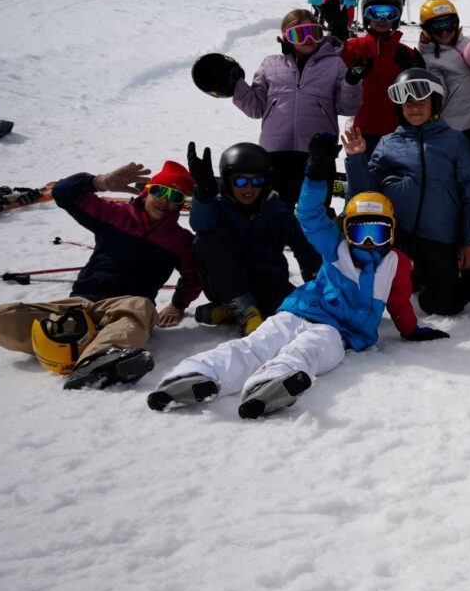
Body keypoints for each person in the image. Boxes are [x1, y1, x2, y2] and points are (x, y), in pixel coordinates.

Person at [145, 136, 447, 418]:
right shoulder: (336, 248)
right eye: (360, 231)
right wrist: (316, 171)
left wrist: (411, 330)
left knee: (311, 349)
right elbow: (310, 215)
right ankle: (199, 373)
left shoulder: (395, 263)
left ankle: (276, 380)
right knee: (260, 341)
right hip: (298, 310)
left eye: (377, 232)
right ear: (347, 230)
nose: (367, 242)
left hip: (338, 330)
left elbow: (399, 303)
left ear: (391, 231)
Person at [0, 161, 201, 390]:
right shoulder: (115, 215)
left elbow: (194, 275)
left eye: (175, 197)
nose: (165, 201)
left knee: (142, 307)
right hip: (80, 305)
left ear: (180, 206)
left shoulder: (180, 240)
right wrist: (99, 182)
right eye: (159, 191)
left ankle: (94, 361)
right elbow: (62, 193)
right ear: (146, 193)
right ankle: (77, 339)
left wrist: (177, 305)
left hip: (126, 307)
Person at [343, 69, 470, 317]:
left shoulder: (454, 142)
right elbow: (365, 197)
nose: (414, 108)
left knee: (445, 305)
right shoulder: (389, 142)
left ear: (436, 103)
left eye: (421, 101)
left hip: (438, 237)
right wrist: (357, 159)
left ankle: (428, 273)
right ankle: (408, 273)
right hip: (397, 235)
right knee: (368, 294)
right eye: (407, 103)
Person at [186, 141, 320, 337]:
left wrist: (317, 286)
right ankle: (244, 310)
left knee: (302, 312)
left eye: (256, 181)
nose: (248, 188)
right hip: (226, 283)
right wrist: (205, 192)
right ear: (227, 181)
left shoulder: (277, 209)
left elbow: (304, 249)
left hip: (268, 283)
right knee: (205, 238)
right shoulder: (218, 205)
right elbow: (200, 225)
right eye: (240, 181)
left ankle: (226, 312)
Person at [229, 9, 361, 202]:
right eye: (299, 34)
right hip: (275, 152)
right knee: (275, 213)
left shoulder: (334, 64)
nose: (308, 39)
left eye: (314, 32)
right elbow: (255, 108)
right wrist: (235, 85)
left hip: (318, 154)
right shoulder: (270, 64)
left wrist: (352, 83)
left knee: (315, 213)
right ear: (286, 38)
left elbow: (348, 107)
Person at [340, 0, 425, 148]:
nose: (382, 20)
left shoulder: (405, 54)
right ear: (366, 15)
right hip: (361, 132)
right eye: (376, 13)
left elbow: (422, 93)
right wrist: (337, 38)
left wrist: (417, 70)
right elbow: (328, 62)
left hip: (399, 131)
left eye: (390, 14)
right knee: (362, 172)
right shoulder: (353, 48)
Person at [415, 0, 470, 164]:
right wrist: (420, 72)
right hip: (456, 130)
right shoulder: (428, 59)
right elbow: (438, 98)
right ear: (426, 30)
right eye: (437, 27)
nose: (444, 32)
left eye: (449, 24)